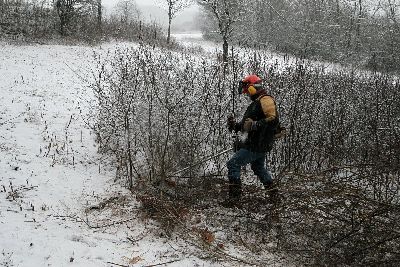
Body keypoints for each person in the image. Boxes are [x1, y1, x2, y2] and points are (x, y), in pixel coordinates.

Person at [227, 74, 279, 199]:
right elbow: (247, 125)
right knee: (257, 167)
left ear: (252, 88)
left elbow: (273, 120)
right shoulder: (257, 103)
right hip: (259, 143)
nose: (248, 94)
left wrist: (255, 125)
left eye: (247, 91)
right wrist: (235, 125)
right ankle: (274, 195)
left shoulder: (265, 100)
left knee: (233, 163)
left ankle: (235, 198)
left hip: (257, 143)